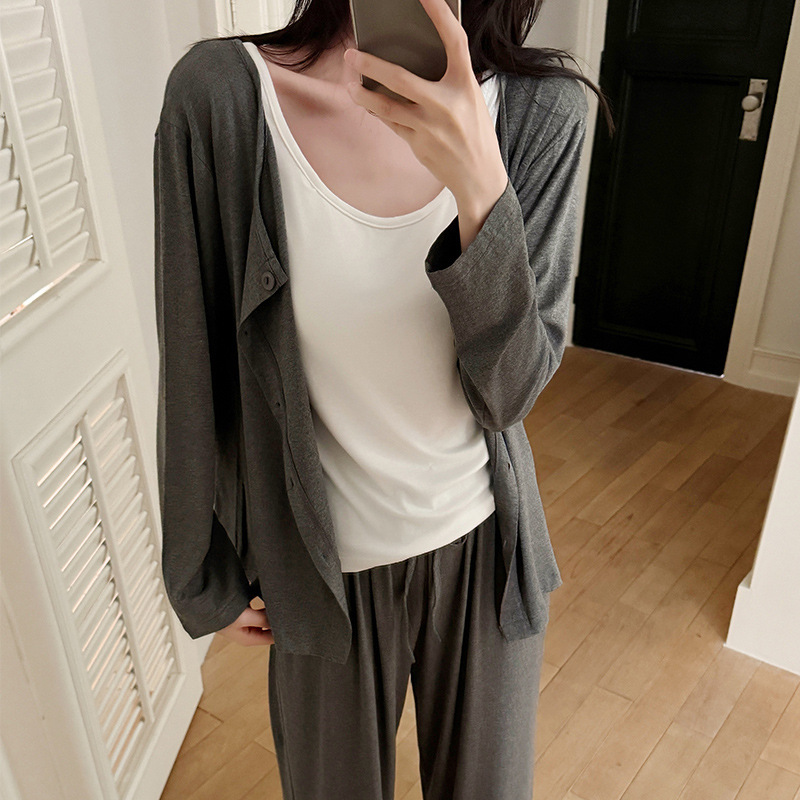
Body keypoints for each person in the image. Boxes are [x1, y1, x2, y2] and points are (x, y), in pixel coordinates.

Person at [154, 0, 614, 797]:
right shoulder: (223, 98)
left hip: (485, 550)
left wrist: (480, 185)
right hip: (318, 570)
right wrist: (199, 568)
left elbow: (509, 394)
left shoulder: (545, 113)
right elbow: (191, 351)